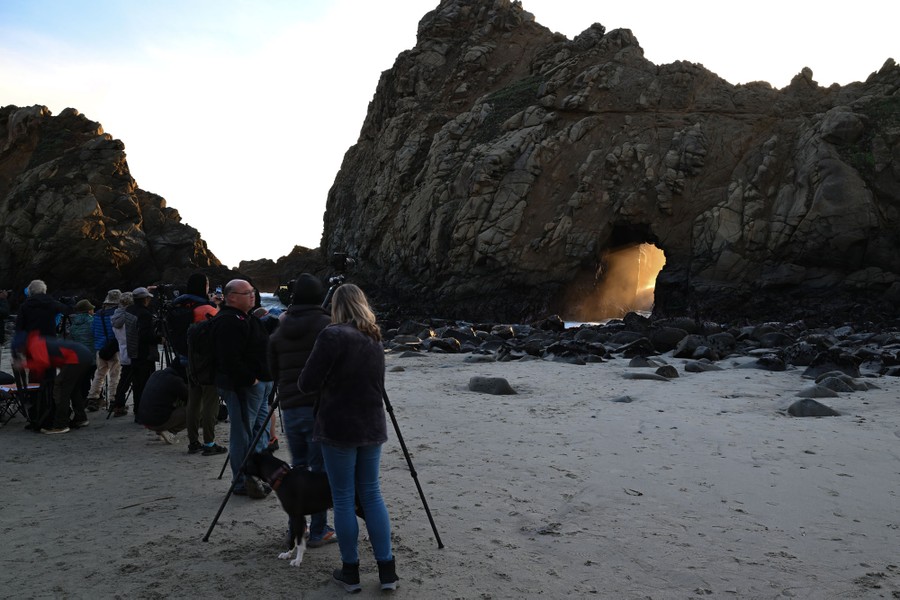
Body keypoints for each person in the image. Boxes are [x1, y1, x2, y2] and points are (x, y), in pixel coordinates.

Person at [298, 283, 399, 592]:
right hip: (371, 424)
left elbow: (306, 383)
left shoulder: (332, 335)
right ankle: (387, 571)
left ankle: (351, 571)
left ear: (337, 307)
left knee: (342, 496)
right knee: (371, 493)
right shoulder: (374, 337)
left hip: (338, 427)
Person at [268, 274, 336, 548]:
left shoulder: (279, 330)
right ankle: (319, 530)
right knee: (319, 473)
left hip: (291, 407)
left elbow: (273, 371)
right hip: (320, 407)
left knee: (298, 468)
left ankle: (296, 529)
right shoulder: (327, 326)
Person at [213, 279, 272, 498]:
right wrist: (251, 380)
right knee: (243, 434)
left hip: (259, 387)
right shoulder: (228, 321)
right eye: (246, 292)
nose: (252, 295)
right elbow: (229, 359)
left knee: (260, 432)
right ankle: (241, 481)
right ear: (231, 297)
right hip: (244, 388)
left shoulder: (246, 317)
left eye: (252, 292)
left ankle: (254, 474)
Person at [171, 273, 224, 456]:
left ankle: (193, 442)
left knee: (194, 400)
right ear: (203, 286)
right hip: (206, 361)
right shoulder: (205, 308)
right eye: (207, 284)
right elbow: (217, 333)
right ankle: (209, 443)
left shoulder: (177, 304)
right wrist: (217, 306)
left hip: (186, 359)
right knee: (210, 400)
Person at [17, 332, 93, 434]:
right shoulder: (39, 340)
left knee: (60, 387)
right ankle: (81, 418)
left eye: (19, 350)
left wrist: (23, 365)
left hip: (76, 358)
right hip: (85, 355)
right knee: (73, 389)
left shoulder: (34, 344)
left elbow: (43, 362)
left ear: (22, 345)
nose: (20, 353)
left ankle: (60, 424)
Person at [126, 287, 161, 422]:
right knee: (146, 383)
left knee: (137, 383)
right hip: (144, 353)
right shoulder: (145, 314)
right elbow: (145, 335)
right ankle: (144, 413)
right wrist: (159, 339)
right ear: (145, 299)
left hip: (133, 351)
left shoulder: (129, 310)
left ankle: (137, 411)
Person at [86, 289, 122, 412]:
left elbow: (92, 332)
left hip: (100, 349)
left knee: (99, 374)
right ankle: (113, 399)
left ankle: (92, 397)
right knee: (114, 375)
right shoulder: (117, 314)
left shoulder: (97, 314)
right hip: (113, 349)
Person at [137, 366, 189, 444]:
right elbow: (189, 398)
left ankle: (161, 430)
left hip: (143, 419)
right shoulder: (176, 381)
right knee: (193, 411)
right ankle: (170, 432)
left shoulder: (156, 374)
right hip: (157, 422)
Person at [109, 292, 134, 417]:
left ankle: (118, 405)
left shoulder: (115, 317)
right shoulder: (130, 318)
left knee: (123, 382)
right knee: (138, 381)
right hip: (133, 352)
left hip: (123, 352)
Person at [67, 299, 96, 402]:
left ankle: (84, 399)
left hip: (80, 357)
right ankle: (96, 398)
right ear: (88, 310)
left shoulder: (73, 324)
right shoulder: (93, 321)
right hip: (93, 355)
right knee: (96, 377)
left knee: (84, 379)